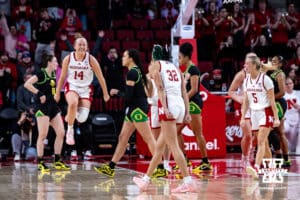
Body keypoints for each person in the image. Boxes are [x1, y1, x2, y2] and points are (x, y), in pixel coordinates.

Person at [133, 45, 196, 193]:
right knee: (160, 147)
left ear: (154, 56)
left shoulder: (155, 65)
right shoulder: (175, 67)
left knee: (173, 145)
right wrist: (186, 112)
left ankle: (188, 181)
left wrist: (165, 107)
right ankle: (145, 180)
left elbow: (160, 88)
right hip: (180, 104)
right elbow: (184, 92)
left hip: (168, 104)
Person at [94, 49, 156, 177]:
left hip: (137, 109)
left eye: (124, 56)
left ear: (131, 58)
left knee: (148, 138)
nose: (122, 58)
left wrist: (117, 92)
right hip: (135, 108)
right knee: (123, 138)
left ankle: (160, 167)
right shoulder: (137, 71)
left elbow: (128, 97)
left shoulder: (132, 73)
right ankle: (111, 167)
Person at [55, 37, 110, 146]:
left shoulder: (91, 59)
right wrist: (57, 93)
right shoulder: (68, 59)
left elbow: (101, 77)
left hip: (86, 89)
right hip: (72, 86)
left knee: (82, 118)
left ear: (87, 47)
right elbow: (62, 77)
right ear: (74, 47)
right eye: (79, 44)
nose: (82, 46)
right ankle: (70, 131)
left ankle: (70, 115)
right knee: (73, 103)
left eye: (84, 45)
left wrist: (105, 93)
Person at [24, 54, 70, 172]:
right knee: (43, 135)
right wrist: (39, 94)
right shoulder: (41, 73)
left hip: (53, 107)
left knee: (61, 133)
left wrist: (56, 96)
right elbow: (27, 84)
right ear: (49, 62)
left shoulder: (54, 74)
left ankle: (58, 161)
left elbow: (53, 89)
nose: (57, 64)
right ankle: (40, 162)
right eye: (55, 61)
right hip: (42, 108)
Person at [241, 53, 280, 179]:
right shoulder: (246, 80)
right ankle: (272, 168)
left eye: (247, 64)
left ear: (253, 65)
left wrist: (276, 118)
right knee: (265, 143)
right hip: (254, 113)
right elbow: (246, 100)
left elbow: (272, 100)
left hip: (266, 112)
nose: (244, 65)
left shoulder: (265, 80)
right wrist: (243, 117)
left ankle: (256, 168)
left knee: (261, 141)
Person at [175, 42, 212, 172]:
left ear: (186, 57)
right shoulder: (186, 70)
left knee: (197, 133)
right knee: (176, 131)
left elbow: (194, 89)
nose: (179, 60)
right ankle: (184, 159)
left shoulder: (193, 69)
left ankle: (205, 162)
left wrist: (182, 100)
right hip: (187, 103)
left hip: (193, 104)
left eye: (180, 57)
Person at [265, 56, 290, 167]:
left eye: (275, 62)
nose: (272, 63)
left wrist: (270, 98)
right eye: (271, 61)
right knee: (278, 132)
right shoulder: (269, 72)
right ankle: (283, 158)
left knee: (274, 130)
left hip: (278, 103)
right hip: (272, 102)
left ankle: (282, 158)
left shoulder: (280, 74)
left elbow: (282, 92)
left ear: (280, 64)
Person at [228, 67, 252, 168]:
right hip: (242, 106)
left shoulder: (260, 73)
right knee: (248, 135)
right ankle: (245, 158)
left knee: (256, 135)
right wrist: (240, 99)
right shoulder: (242, 74)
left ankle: (251, 152)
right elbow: (230, 92)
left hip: (255, 106)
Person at [283, 77, 300, 153]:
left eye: (290, 83)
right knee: (283, 129)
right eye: (286, 84)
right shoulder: (282, 95)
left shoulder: (298, 93)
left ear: (293, 84)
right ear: (284, 85)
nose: (289, 85)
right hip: (286, 121)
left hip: (297, 121)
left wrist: (299, 107)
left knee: (296, 149)